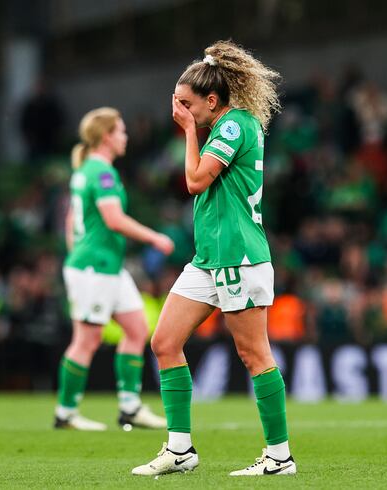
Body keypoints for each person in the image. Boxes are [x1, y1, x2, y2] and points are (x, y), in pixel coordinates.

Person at [133, 41, 296, 476]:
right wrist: (193, 128)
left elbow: (195, 180)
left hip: (239, 257)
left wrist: (188, 131)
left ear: (211, 100)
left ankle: (280, 456)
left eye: (186, 103)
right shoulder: (228, 126)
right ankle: (180, 450)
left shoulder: (231, 127)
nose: (179, 110)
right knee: (164, 343)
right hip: (209, 259)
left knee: (254, 354)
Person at [55, 107, 174, 430]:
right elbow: (113, 220)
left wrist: (76, 254)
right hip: (96, 267)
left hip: (105, 266)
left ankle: (130, 408)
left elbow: (71, 221)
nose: (126, 136)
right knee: (87, 339)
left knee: (136, 328)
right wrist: (155, 238)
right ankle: (65, 413)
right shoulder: (102, 173)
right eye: (121, 131)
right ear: (107, 136)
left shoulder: (85, 171)